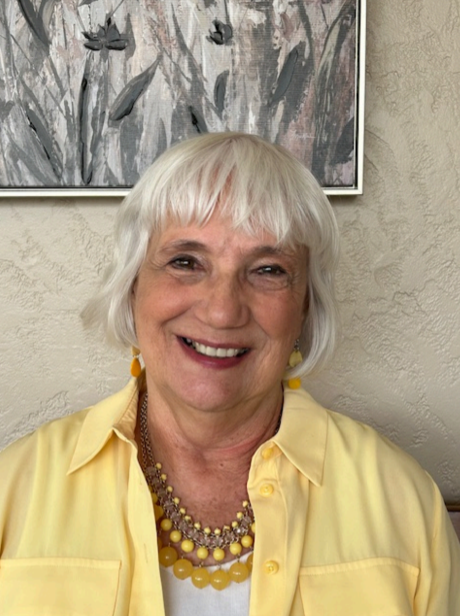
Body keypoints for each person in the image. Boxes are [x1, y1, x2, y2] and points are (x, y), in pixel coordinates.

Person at [0, 133, 458, 615]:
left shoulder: (404, 504)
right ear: (134, 288)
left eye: (267, 270)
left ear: (304, 307)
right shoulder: (14, 491)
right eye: (185, 262)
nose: (222, 311)